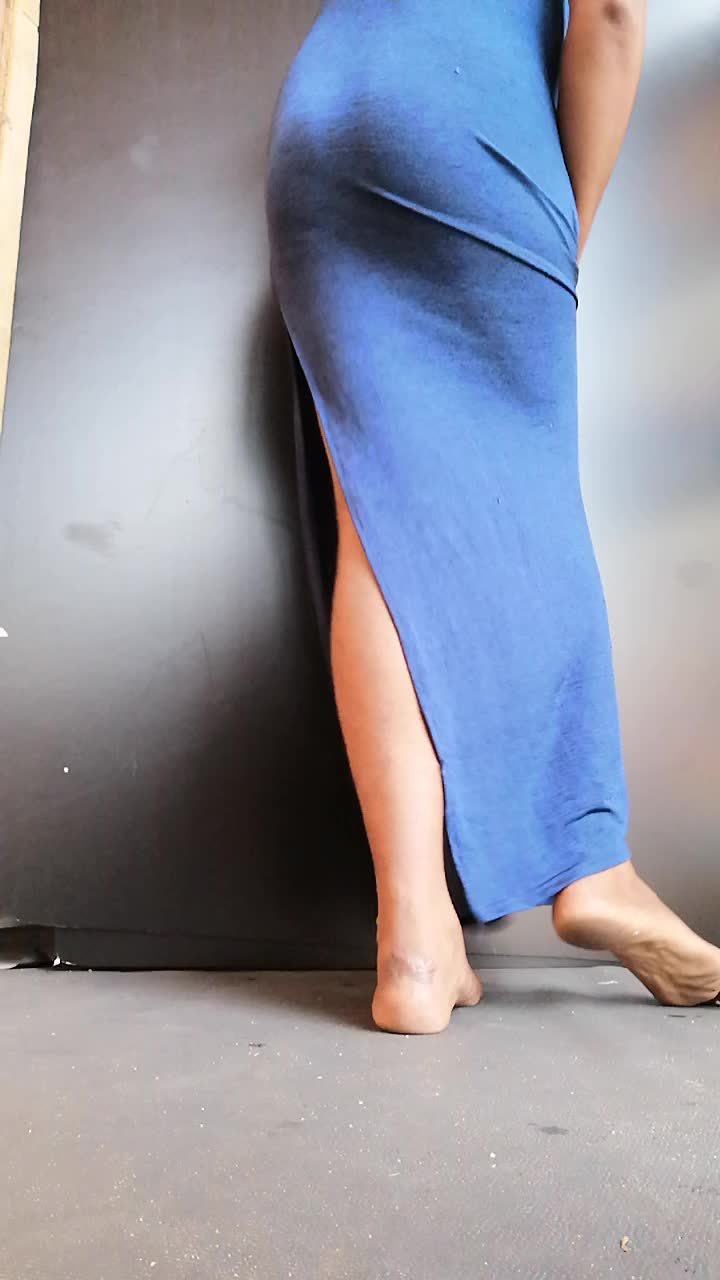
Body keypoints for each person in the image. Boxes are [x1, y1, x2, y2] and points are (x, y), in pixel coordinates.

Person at [266, 0, 720, 1033]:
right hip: (468, 120)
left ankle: (416, 949)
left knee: (378, 530)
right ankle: (593, 863)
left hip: (320, 116)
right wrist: (569, 225)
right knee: (532, 482)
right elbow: (611, 13)